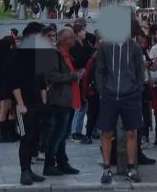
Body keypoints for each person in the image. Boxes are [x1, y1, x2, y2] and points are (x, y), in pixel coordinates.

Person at [95, 13, 147, 184]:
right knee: (106, 132)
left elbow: (140, 71)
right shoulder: (106, 46)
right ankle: (107, 168)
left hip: (130, 95)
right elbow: (100, 70)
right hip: (110, 94)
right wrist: (102, 90)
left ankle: (132, 168)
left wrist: (137, 88)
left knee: (132, 131)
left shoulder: (134, 48)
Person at [11, 21, 53, 187]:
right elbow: (14, 83)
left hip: (37, 103)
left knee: (34, 137)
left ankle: (29, 169)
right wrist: (21, 104)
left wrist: (43, 102)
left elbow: (42, 81)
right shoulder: (18, 55)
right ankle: (24, 171)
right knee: (26, 137)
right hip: (24, 103)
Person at [43, 27, 82, 177]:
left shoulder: (66, 55)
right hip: (59, 100)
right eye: (72, 37)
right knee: (57, 134)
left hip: (68, 98)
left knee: (63, 133)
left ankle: (62, 162)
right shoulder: (55, 54)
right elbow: (52, 76)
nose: (75, 40)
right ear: (66, 40)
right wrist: (73, 76)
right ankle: (49, 164)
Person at [0, 35, 20, 143]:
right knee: (7, 110)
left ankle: (8, 133)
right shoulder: (9, 58)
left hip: (2, 85)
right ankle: (6, 134)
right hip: (8, 86)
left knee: (6, 109)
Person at [69, 20, 95, 142]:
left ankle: (77, 130)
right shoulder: (74, 45)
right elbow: (77, 60)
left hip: (85, 76)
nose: (85, 32)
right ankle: (75, 131)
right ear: (77, 32)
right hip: (77, 76)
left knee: (83, 104)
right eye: (83, 30)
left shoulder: (86, 43)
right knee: (79, 105)